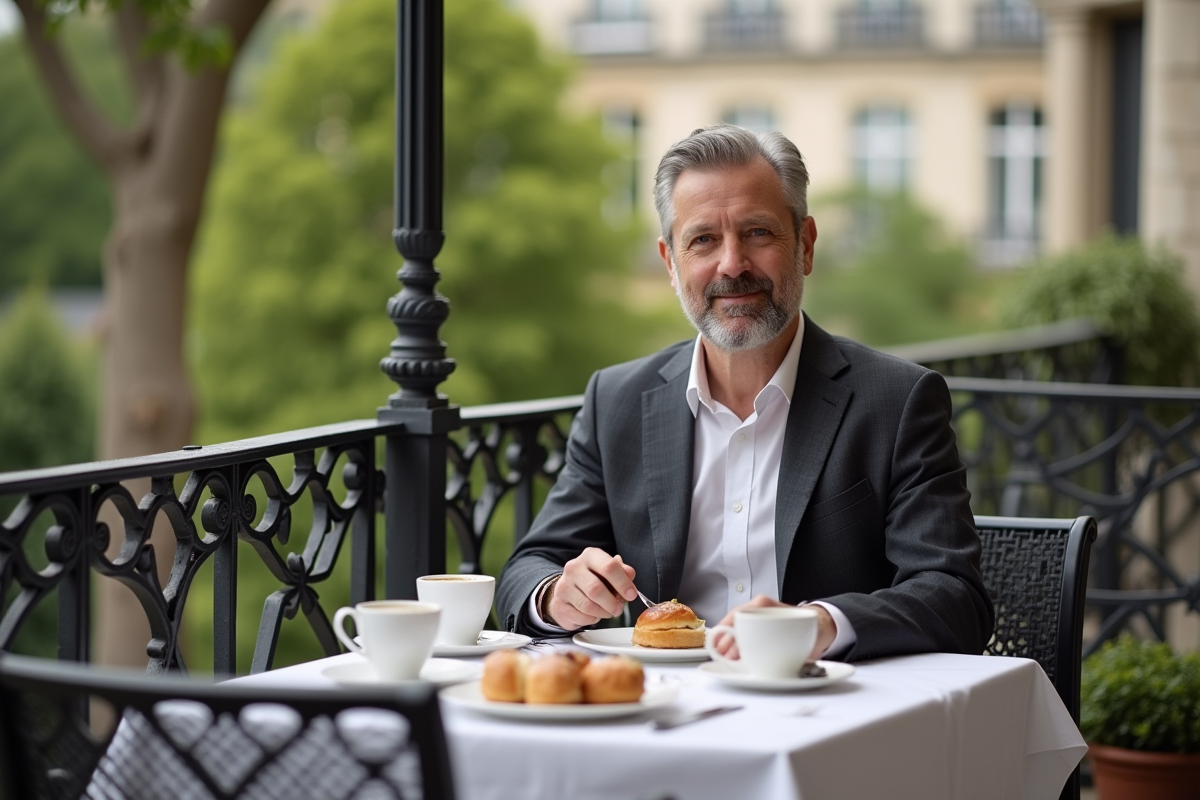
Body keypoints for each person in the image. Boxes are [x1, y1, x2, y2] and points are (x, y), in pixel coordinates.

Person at [495, 124, 993, 662]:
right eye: (703, 239)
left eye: (757, 232)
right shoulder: (615, 400)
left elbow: (954, 597)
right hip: (663, 712)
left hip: (827, 711)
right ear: (670, 262)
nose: (732, 264)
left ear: (804, 245)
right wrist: (557, 597)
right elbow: (528, 568)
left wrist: (821, 623)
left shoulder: (898, 401)